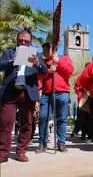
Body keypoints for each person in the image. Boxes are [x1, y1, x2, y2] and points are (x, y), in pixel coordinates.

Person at [0, 30, 48, 163]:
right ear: (17, 40)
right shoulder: (9, 53)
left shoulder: (36, 54)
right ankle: (3, 153)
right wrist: (12, 61)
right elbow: (0, 65)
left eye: (26, 41)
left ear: (30, 43)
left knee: (27, 124)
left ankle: (21, 152)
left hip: (28, 94)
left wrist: (37, 62)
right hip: (10, 93)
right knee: (6, 123)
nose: (23, 43)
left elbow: (44, 70)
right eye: (20, 40)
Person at [36, 42, 74, 154]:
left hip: (62, 92)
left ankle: (61, 142)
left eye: (47, 50)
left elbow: (70, 71)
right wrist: (48, 71)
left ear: (54, 50)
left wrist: (58, 62)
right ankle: (42, 142)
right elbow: (38, 76)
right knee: (43, 117)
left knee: (61, 118)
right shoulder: (42, 63)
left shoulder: (64, 58)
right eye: (44, 51)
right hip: (46, 94)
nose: (45, 53)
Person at [71, 62, 90, 140]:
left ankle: (91, 134)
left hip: (92, 99)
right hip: (83, 99)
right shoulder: (80, 77)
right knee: (82, 117)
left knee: (90, 118)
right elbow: (76, 88)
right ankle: (83, 133)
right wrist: (82, 89)